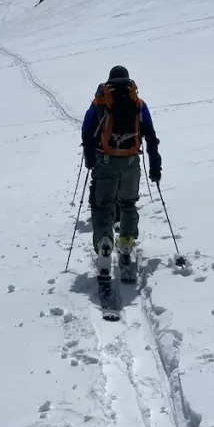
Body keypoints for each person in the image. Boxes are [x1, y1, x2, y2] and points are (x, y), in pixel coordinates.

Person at [81, 65, 161, 275]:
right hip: (131, 162)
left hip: (106, 161)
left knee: (104, 205)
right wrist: (155, 168)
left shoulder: (100, 102)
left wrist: (90, 159)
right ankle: (126, 242)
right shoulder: (138, 104)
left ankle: (105, 241)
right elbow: (151, 137)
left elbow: (87, 130)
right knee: (128, 203)